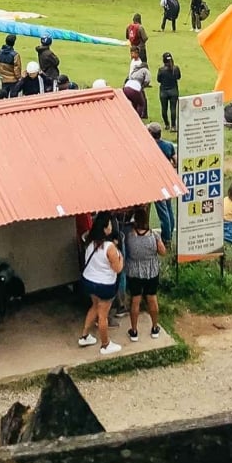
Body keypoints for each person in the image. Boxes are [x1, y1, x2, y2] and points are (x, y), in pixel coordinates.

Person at [78, 214, 124, 356]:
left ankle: (85, 336)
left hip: (89, 281)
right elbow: (118, 269)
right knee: (103, 315)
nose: (111, 226)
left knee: (94, 306)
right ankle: (105, 344)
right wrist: (121, 257)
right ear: (104, 229)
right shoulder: (110, 247)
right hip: (105, 285)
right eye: (109, 224)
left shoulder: (90, 243)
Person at [123, 206, 167, 342]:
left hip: (134, 271)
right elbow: (163, 252)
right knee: (152, 298)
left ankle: (134, 331)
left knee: (135, 300)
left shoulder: (130, 236)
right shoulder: (154, 235)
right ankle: (154, 327)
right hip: (151, 271)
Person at [146, 123, 177, 245]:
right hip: (167, 181)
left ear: (150, 133)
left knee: (162, 211)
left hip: (156, 182)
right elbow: (176, 161)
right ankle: (170, 233)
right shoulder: (168, 145)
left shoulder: (149, 147)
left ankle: (166, 238)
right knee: (168, 208)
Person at [156, 52, 182, 129]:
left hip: (163, 92)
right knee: (173, 108)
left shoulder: (161, 70)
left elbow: (158, 80)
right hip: (173, 91)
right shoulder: (176, 68)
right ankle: (173, 126)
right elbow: (178, 77)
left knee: (164, 109)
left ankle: (167, 124)